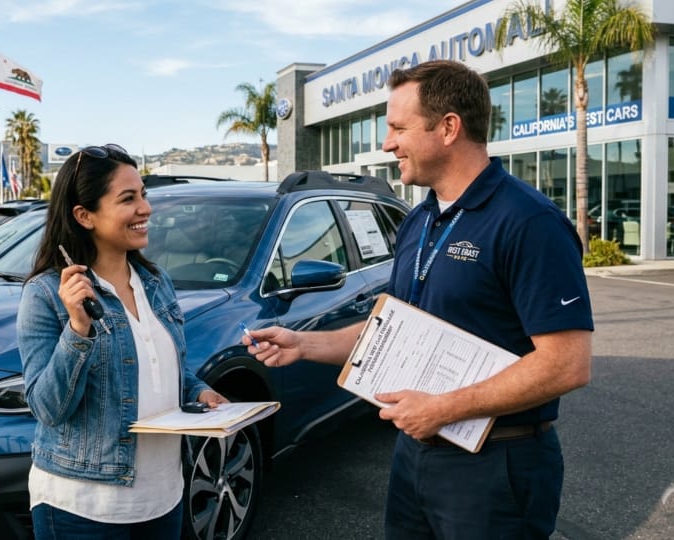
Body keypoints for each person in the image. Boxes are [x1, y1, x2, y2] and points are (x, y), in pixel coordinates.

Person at [244, 60, 594, 539]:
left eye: (398, 128)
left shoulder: (529, 222)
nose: (387, 144)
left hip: (497, 465)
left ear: (448, 128)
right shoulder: (419, 220)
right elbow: (390, 330)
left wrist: (444, 409)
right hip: (416, 454)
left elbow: (566, 364)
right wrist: (304, 345)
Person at [16, 143, 228, 539]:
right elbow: (47, 408)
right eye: (128, 199)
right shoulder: (46, 294)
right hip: (82, 508)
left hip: (163, 497)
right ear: (84, 215)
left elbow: (159, 368)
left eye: (143, 195)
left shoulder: (156, 282)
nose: (145, 208)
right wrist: (78, 328)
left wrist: (199, 393)